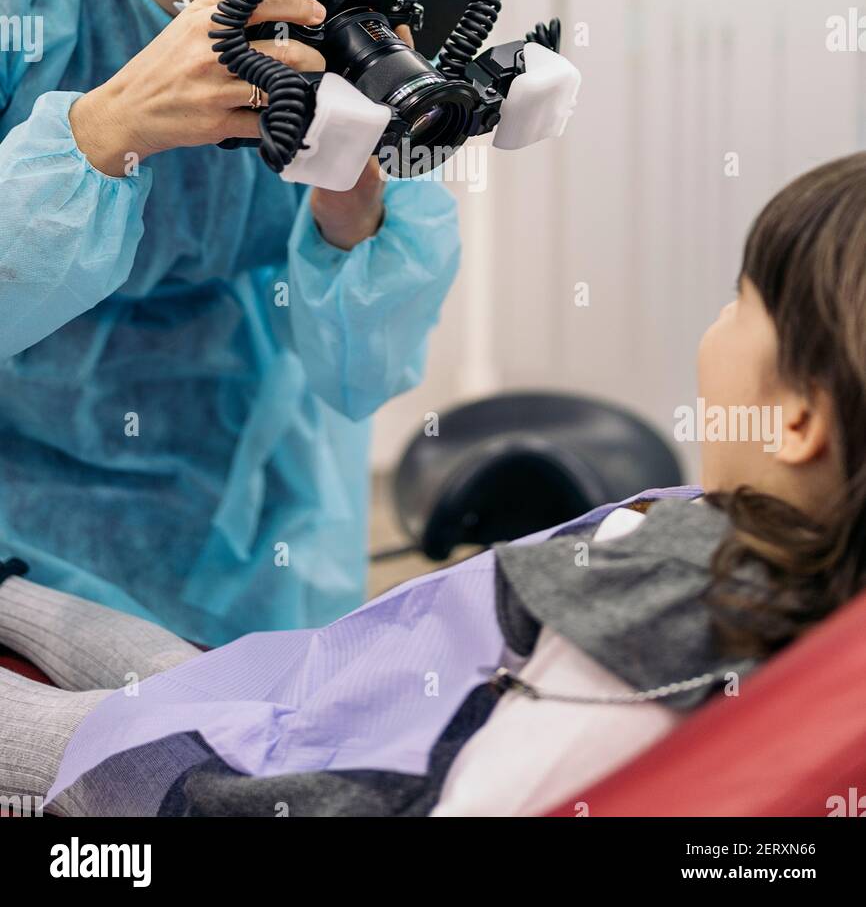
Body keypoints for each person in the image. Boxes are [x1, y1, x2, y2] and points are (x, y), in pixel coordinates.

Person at [1, 152, 865, 817]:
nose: (715, 324)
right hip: (324, 710)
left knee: (102, 732)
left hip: (276, 784)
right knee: (185, 674)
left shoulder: (676, 607)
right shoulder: (757, 559)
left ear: (796, 421)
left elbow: (494, 795)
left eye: (737, 302)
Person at [0, 0, 460, 646]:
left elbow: (359, 369)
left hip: (242, 491)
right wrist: (106, 130)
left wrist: (353, 210)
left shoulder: (348, 28)